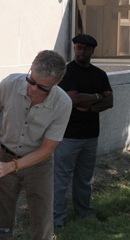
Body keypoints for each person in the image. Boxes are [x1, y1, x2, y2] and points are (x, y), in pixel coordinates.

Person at [0, 50, 72, 240]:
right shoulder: (9, 84)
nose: (33, 89)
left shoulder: (63, 103)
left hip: (39, 164)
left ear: (56, 84)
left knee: (42, 219)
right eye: (31, 80)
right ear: (31, 69)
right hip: (5, 156)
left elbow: (47, 149)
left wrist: (12, 167)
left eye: (42, 87)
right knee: (1, 216)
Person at [53, 34, 113, 228]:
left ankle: (84, 211)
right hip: (68, 136)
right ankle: (57, 219)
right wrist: (97, 96)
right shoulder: (67, 72)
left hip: (90, 135)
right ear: (74, 48)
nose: (81, 51)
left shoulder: (99, 74)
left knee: (85, 179)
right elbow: (73, 99)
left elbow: (110, 101)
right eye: (78, 48)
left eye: (85, 49)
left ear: (92, 51)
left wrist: (89, 106)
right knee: (61, 179)